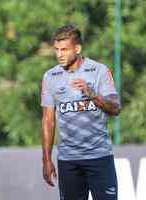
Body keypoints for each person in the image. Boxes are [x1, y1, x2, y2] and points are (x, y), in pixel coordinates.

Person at [41, 24, 121, 200]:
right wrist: (46, 159)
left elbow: (115, 108)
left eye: (64, 49)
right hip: (68, 161)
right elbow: (48, 120)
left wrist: (92, 94)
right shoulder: (50, 77)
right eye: (56, 49)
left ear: (77, 48)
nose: (59, 55)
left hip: (99, 156)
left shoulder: (99, 71)